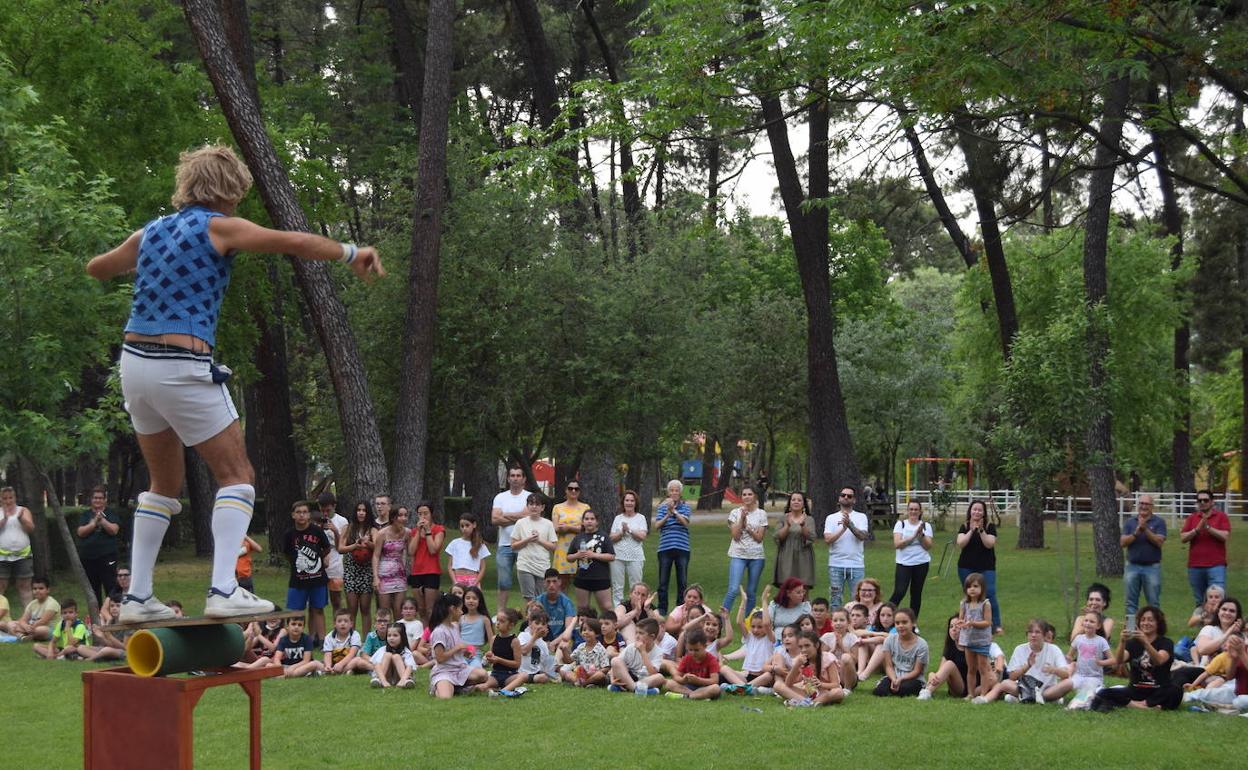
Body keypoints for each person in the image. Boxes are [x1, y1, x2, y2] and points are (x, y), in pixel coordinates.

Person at [86, 145, 383, 622]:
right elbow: (294, 242)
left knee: (163, 483)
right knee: (237, 476)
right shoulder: (217, 226)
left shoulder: (151, 232)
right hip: (181, 362)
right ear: (228, 191)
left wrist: (141, 264)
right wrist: (352, 251)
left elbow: (98, 267)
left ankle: (137, 598)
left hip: (134, 366)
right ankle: (224, 587)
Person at [1090, 606, 1182, 711]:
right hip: (1135, 690)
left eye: (1150, 620)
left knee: (1176, 690)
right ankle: (1145, 707)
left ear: (1158, 623)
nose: (1146, 623)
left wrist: (1145, 642)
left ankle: (1137, 704)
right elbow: (1119, 661)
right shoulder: (1132, 643)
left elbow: (1159, 660)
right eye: (1143, 620)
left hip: (1158, 689)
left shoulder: (1166, 642)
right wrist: (1122, 641)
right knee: (1103, 693)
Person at [284, 500, 331, 642]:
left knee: (318, 609)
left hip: (317, 579)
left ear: (309, 515)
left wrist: (319, 560)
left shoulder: (317, 531)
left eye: (304, 512)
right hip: (297, 580)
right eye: (298, 512)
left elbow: (327, 547)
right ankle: (295, 640)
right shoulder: (289, 534)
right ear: (293, 515)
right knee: (296, 612)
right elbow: (286, 553)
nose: (301, 515)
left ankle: (321, 640)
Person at [428, 592, 489, 698]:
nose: (461, 612)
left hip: (460, 669)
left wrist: (464, 652)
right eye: (460, 609)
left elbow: (455, 649)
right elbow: (440, 658)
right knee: (445, 698)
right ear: (452, 609)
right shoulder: (439, 631)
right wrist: (457, 648)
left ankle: (456, 688)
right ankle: (437, 687)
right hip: (444, 672)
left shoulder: (455, 626)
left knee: (483, 675)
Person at [956, 499, 1002, 633]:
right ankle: (965, 621)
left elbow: (989, 544)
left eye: (979, 510)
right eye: (974, 509)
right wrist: (971, 530)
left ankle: (996, 624)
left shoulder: (989, 526)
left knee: (990, 593)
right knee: (970, 594)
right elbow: (961, 543)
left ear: (984, 513)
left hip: (986, 566)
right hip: (966, 566)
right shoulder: (964, 526)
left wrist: (981, 530)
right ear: (970, 511)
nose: (976, 512)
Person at [721, 486, 768, 616]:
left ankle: (748, 620)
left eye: (750, 494)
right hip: (738, 554)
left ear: (755, 497)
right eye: (744, 494)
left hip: (756, 556)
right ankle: (722, 618)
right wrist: (742, 519)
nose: (747, 497)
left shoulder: (761, 514)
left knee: (751, 591)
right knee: (734, 589)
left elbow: (759, 538)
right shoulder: (735, 513)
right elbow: (735, 536)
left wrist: (748, 528)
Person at [1180, 490, 1230, 607]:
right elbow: (1183, 538)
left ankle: (1219, 624)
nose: (1202, 502)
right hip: (1195, 566)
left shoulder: (1221, 516)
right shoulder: (1192, 518)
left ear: (1212, 502)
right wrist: (1197, 529)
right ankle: (1203, 625)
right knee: (1200, 600)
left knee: (1217, 599)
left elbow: (1224, 536)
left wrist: (1208, 527)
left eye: (1206, 500)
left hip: (1216, 566)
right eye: (1199, 500)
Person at [1120, 494, 1167, 617]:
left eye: (1147, 504)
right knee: (1130, 602)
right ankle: (1130, 630)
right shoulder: (1130, 522)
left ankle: (1155, 631)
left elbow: (1159, 542)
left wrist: (1145, 529)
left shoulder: (1159, 522)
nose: (1143, 506)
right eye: (1141, 503)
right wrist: (1135, 533)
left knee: (1153, 602)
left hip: (1152, 567)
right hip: (1132, 566)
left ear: (1152, 506)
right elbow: (1123, 543)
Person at [491, 465, 530, 610]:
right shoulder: (500, 497)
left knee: (527, 582)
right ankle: (500, 613)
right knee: (503, 583)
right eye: (512, 476)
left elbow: (528, 516)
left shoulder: (529, 497)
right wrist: (519, 516)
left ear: (524, 479)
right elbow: (494, 519)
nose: (515, 478)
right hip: (504, 545)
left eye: (518, 475)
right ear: (508, 479)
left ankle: (529, 615)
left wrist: (505, 515)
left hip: (524, 544)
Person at [75, 486, 121, 605]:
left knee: (110, 586)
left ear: (105, 500)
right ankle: (97, 616)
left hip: (107, 557)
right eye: (95, 498)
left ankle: (112, 613)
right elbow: (80, 532)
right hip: (88, 557)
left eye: (100, 498)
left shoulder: (111, 514)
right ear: (91, 499)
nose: (97, 501)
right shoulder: (85, 515)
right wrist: (94, 523)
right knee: (93, 589)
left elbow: (114, 530)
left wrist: (102, 520)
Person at [775, 629, 846, 707]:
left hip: (825, 692)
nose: (803, 650)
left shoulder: (827, 658)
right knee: (778, 685)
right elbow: (788, 684)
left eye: (807, 646)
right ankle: (808, 703)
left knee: (838, 692)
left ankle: (804, 702)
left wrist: (821, 684)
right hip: (808, 692)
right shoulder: (800, 660)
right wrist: (796, 665)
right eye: (801, 647)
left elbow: (835, 684)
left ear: (817, 645)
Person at [824, 486, 869, 610]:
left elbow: (862, 536)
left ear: (854, 500)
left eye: (849, 496)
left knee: (858, 600)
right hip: (836, 564)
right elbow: (828, 539)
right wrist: (843, 529)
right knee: (835, 599)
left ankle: (857, 626)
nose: (846, 498)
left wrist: (850, 525)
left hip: (856, 564)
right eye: (843, 495)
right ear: (839, 498)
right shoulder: (831, 518)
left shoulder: (861, 517)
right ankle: (836, 626)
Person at [889, 500, 933, 619]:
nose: (913, 512)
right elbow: (897, 544)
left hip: (921, 563)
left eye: (916, 509)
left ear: (920, 512)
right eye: (911, 509)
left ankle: (913, 622)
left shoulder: (926, 526)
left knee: (916, 593)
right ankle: (885, 617)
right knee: (900, 591)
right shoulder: (901, 524)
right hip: (904, 563)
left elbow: (928, 546)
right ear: (907, 511)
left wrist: (921, 536)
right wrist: (913, 536)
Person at [654, 479, 692, 615]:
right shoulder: (662, 507)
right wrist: (668, 513)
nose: (674, 493)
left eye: (677, 490)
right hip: (665, 548)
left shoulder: (686, 506)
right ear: (668, 492)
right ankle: (662, 609)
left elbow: (685, 523)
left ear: (680, 492)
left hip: (682, 548)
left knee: (682, 581)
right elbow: (657, 526)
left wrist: (675, 512)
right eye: (672, 490)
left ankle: (680, 608)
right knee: (663, 581)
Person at [1063, 611, 1115, 708]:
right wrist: (1067, 662)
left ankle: (1077, 705)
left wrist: (1101, 662)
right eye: (1086, 620)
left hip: (1094, 678)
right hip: (1078, 676)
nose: (1087, 623)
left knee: (1086, 695)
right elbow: (1069, 656)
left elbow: (1113, 660)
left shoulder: (1101, 641)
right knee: (1062, 686)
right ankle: (1052, 697)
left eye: (1091, 621)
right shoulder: (1078, 639)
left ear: (1098, 626)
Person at [568, 510, 616, 615]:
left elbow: (612, 556)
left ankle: (613, 628)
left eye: (592, 519)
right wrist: (577, 555)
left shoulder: (604, 537)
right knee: (582, 609)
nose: (589, 521)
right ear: (582, 522)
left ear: (597, 522)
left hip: (600, 577)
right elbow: (569, 557)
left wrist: (594, 555)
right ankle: (584, 630)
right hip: (582, 578)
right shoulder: (578, 537)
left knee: (606, 608)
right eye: (586, 519)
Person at [511, 494, 557, 602]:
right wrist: (527, 540)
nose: (534, 507)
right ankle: (531, 618)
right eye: (531, 504)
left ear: (542, 507)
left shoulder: (548, 524)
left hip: (542, 566)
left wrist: (539, 540)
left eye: (537, 504)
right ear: (527, 506)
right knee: (530, 599)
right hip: (525, 565)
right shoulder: (520, 523)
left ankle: (539, 618)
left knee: (540, 599)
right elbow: (513, 545)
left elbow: (554, 547)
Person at [956, 572, 995, 702]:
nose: (972, 589)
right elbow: (961, 618)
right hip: (968, 640)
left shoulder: (985, 604)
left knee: (983, 668)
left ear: (982, 588)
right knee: (971, 668)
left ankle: (983, 694)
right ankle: (971, 693)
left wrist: (972, 623)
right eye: (969, 587)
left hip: (982, 641)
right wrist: (960, 623)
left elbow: (987, 622)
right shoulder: (964, 603)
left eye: (975, 586)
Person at [873, 607, 928, 697]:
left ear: (913, 623)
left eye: (904, 622)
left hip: (913, 678)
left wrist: (901, 679)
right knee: (879, 691)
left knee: (904, 689)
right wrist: (894, 679)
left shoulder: (922, 644)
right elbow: (888, 666)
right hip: (894, 675)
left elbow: (917, 671)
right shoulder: (890, 640)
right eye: (897, 623)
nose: (900, 626)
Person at [339, 501, 375, 634]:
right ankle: (351, 639)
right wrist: (354, 545)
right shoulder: (348, 528)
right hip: (351, 572)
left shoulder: (372, 529)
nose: (361, 513)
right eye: (359, 510)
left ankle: (366, 641)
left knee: (365, 608)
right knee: (352, 608)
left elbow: (378, 547)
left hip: (366, 571)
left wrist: (367, 542)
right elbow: (340, 548)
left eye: (364, 510)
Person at [608, 490, 647, 607]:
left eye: (632, 501)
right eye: (627, 500)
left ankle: (636, 611)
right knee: (617, 586)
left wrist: (629, 530)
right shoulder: (618, 518)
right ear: (623, 502)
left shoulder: (640, 518)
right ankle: (618, 612)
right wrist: (621, 532)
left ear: (635, 503)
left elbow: (642, 536)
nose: (629, 503)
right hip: (618, 556)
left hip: (635, 556)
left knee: (636, 586)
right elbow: (611, 537)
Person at [407, 501, 445, 622]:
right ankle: (424, 636)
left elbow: (433, 549)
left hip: (431, 571)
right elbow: (411, 551)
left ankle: (433, 634)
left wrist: (428, 531)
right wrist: (419, 531)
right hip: (416, 572)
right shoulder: (414, 532)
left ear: (431, 514)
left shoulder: (439, 530)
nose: (423, 517)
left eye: (426, 513)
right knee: (421, 609)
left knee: (430, 609)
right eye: (420, 514)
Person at [505, 610, 561, 692]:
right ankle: (521, 680)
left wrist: (552, 670)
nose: (540, 626)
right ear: (530, 623)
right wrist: (535, 637)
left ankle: (529, 680)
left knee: (544, 677)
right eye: (537, 623)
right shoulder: (523, 635)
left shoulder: (543, 644)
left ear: (547, 627)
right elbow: (524, 651)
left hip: (534, 673)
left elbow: (542, 664)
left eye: (543, 624)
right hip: (519, 672)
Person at [371, 504, 410, 621]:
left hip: (399, 574)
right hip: (384, 575)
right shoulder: (382, 534)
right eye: (400, 515)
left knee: (399, 610)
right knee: (385, 611)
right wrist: (375, 577)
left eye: (405, 515)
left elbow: (411, 551)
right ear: (393, 518)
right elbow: (376, 555)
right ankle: (385, 637)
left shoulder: (407, 533)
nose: (403, 518)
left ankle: (399, 636)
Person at [608, 616, 665, 695]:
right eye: (636, 633)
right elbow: (614, 666)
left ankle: (627, 688)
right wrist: (612, 680)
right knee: (615, 660)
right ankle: (636, 689)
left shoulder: (658, 652)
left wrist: (643, 652)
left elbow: (652, 673)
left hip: (646, 679)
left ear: (652, 637)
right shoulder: (631, 647)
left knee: (660, 677)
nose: (637, 636)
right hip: (629, 677)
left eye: (641, 633)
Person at [663, 627, 723, 700]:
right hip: (689, 687)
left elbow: (714, 680)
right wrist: (683, 680)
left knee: (715, 688)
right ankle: (697, 696)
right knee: (668, 683)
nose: (693, 653)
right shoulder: (686, 658)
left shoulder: (711, 660)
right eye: (690, 650)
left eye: (696, 650)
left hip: (705, 687)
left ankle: (686, 696)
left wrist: (698, 680)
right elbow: (676, 676)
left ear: (705, 646)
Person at [0, 487, 35, 608]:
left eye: (10, 497)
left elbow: (31, 528)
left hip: (23, 555)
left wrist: (21, 519)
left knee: (24, 586)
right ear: (1, 499)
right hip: (2, 557)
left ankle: (30, 619)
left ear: (15, 498)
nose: (8, 501)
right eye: (5, 498)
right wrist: (4, 519)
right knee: (1, 586)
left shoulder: (23, 510)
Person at [773, 491, 815, 590]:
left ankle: (804, 605)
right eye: (793, 500)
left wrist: (802, 525)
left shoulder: (809, 519)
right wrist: (787, 526)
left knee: (803, 588)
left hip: (803, 556)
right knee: (786, 588)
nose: (796, 502)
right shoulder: (783, 518)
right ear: (790, 503)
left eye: (799, 500)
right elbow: (778, 537)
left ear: (804, 504)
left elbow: (811, 537)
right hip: (786, 555)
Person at [551, 481, 590, 590]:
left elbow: (587, 528)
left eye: (576, 489)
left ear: (579, 491)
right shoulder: (557, 507)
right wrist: (574, 527)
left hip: (580, 546)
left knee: (582, 581)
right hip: (562, 547)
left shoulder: (585, 507)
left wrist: (569, 528)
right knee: (562, 581)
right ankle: (560, 605)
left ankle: (581, 606)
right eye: (570, 488)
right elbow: (555, 528)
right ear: (566, 490)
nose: (573, 491)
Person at [0, 576, 59, 641]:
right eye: (35, 589)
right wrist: (25, 626)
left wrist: (23, 628)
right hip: (31, 627)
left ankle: (21, 635)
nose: (37, 591)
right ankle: (23, 637)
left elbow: (43, 621)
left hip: (49, 629)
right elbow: (23, 620)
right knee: (10, 624)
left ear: (48, 590)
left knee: (40, 630)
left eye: (41, 588)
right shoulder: (32, 603)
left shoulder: (52, 603)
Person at [317, 492, 348, 613]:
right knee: (318, 602)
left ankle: (338, 626)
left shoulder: (342, 521)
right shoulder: (316, 520)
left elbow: (342, 545)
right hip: (319, 564)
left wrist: (335, 531)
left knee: (336, 601)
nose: (325, 513)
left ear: (334, 506)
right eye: (322, 510)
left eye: (328, 510)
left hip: (336, 563)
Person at [481, 607, 522, 693]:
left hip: (510, 675)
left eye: (502, 621)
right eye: (497, 620)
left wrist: (499, 660)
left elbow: (517, 664)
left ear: (511, 625)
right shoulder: (493, 639)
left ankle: (502, 691)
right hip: (495, 674)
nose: (498, 623)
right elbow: (491, 659)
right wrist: (488, 658)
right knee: (481, 686)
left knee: (523, 676)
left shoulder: (514, 641)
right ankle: (497, 689)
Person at [561, 617, 612, 687]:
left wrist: (592, 673)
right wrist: (564, 651)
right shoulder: (581, 647)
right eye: (584, 630)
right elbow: (569, 661)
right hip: (580, 675)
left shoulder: (600, 649)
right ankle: (582, 683)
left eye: (590, 630)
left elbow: (606, 667)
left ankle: (584, 684)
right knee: (568, 674)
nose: (586, 632)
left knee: (600, 675)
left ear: (597, 634)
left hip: (594, 675)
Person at [444, 513, 490, 589]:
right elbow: (450, 566)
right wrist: (455, 581)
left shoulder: (480, 545)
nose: (464, 528)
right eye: (462, 526)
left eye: (467, 525)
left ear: (474, 525)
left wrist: (476, 583)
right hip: (458, 578)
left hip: (473, 579)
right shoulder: (454, 543)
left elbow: (483, 567)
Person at [537, 569, 578, 648]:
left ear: (560, 582)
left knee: (565, 643)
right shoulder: (538, 601)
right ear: (544, 583)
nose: (551, 585)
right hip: (541, 639)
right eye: (548, 582)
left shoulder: (566, 602)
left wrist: (553, 643)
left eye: (554, 581)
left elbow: (568, 629)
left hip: (561, 639)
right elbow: (533, 626)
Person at [321, 608, 368, 675]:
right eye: (339, 621)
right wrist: (328, 665)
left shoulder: (355, 635)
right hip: (334, 663)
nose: (342, 624)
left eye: (346, 621)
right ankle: (333, 670)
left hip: (350, 661)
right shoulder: (329, 637)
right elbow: (327, 654)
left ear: (351, 624)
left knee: (358, 660)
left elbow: (352, 654)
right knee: (316, 663)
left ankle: (337, 671)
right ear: (334, 624)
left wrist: (341, 664)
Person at [371, 623, 416, 689]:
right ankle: (379, 680)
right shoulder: (383, 649)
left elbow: (410, 667)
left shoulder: (406, 651)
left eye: (395, 635)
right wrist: (384, 681)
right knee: (387, 655)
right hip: (384, 677)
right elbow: (377, 665)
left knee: (396, 657)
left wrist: (402, 680)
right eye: (389, 635)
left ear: (402, 637)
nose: (391, 638)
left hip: (399, 677)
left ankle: (406, 681)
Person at [460, 586, 493, 669]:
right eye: (468, 598)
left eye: (474, 598)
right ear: (464, 600)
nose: (471, 601)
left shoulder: (484, 619)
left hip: (476, 655)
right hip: (461, 653)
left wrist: (490, 653)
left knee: (476, 669)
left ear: (479, 601)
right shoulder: (460, 618)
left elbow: (491, 639)